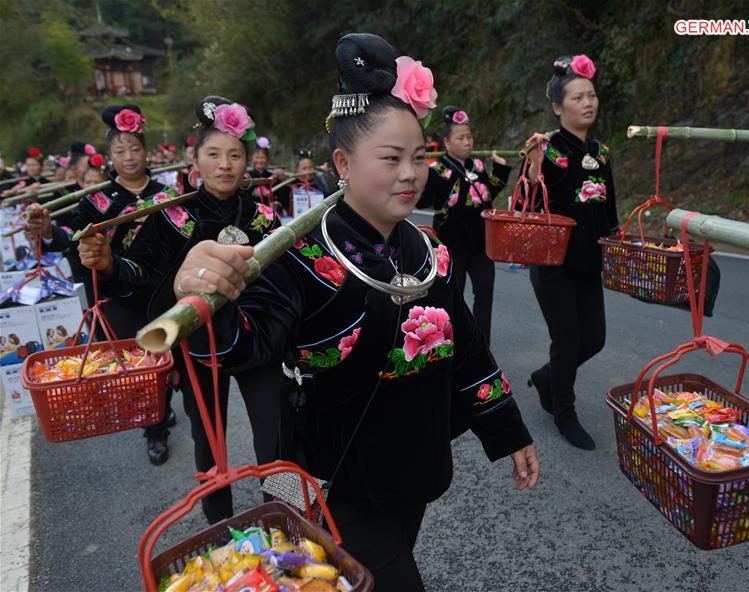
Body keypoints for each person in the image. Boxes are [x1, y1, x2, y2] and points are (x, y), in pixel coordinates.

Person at [171, 33, 539, 589]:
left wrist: (508, 429)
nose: (410, 174)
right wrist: (202, 294)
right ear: (343, 162)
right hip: (329, 479)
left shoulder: (428, 250)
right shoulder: (300, 254)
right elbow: (241, 347)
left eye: (419, 158)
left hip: (412, 461)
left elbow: (466, 348)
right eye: (390, 159)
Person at [86, 96, 285, 525]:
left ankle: (287, 517)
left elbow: (289, 280)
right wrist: (107, 263)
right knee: (208, 443)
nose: (225, 164)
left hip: (259, 344)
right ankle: (221, 531)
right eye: (213, 154)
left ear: (247, 160)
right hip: (199, 349)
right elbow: (140, 271)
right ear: (194, 158)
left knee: (275, 439)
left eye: (235, 155)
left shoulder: (265, 217)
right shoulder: (170, 216)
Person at [25, 104, 177, 465]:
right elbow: (70, 241)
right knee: (140, 367)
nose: (128, 157)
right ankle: (155, 430)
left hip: (161, 293)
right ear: (110, 155)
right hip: (117, 299)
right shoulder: (96, 201)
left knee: (167, 365)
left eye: (135, 149)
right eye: (120, 150)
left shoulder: (168, 197)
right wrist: (47, 232)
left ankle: (162, 407)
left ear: (146, 151)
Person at [524, 54, 617, 450]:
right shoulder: (549, 149)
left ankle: (548, 378)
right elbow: (529, 201)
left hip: (588, 262)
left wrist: (615, 242)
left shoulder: (602, 151)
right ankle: (564, 411)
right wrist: (533, 167)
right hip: (553, 263)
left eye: (591, 95)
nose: (587, 103)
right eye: (577, 97)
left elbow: (610, 208)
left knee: (593, 338)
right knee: (566, 339)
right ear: (558, 107)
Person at [417, 106, 510, 345]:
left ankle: (481, 343)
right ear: (447, 142)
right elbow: (424, 200)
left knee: (484, 294)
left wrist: (499, 168)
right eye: (461, 138)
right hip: (452, 245)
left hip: (481, 244)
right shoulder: (437, 170)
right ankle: (453, 343)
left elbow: (491, 190)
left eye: (469, 137)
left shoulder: (477, 166)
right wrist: (417, 175)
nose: (467, 142)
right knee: (453, 297)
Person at [283, 149, 336, 216]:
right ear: (297, 170)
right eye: (304, 168)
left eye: (310, 168)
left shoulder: (319, 184)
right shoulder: (289, 187)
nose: (308, 171)